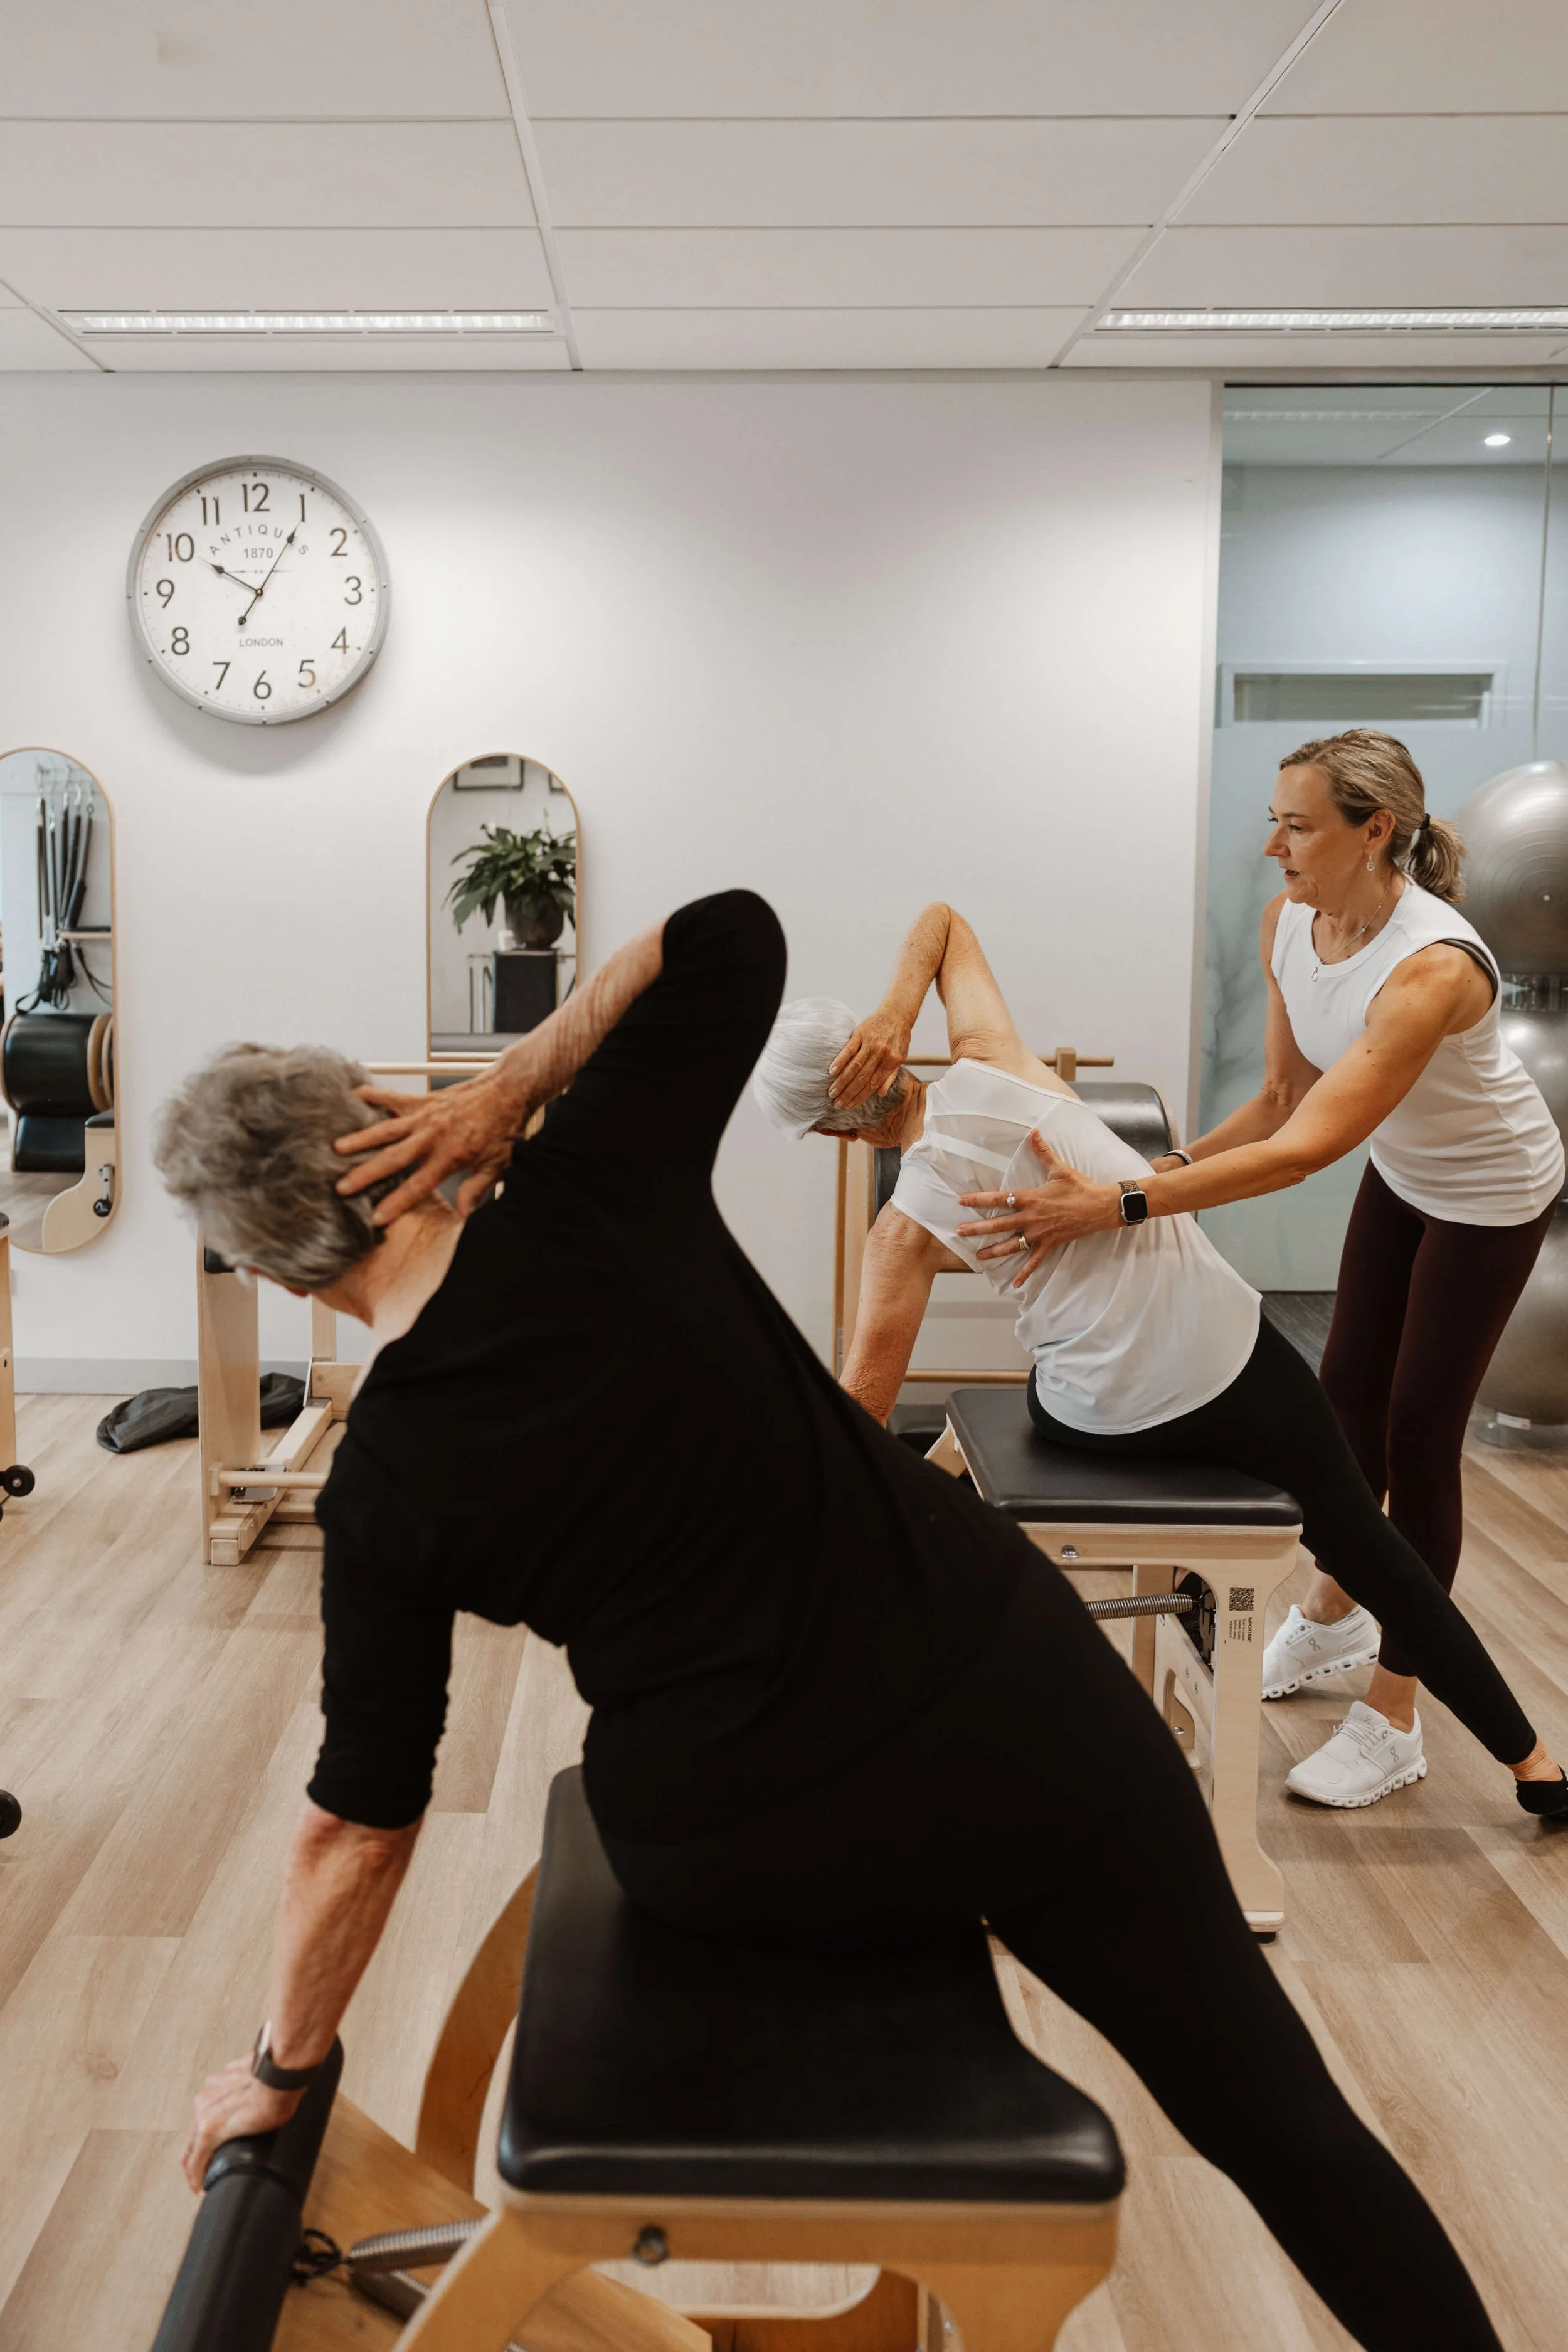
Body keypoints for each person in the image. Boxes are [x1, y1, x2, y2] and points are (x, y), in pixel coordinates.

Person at [160, 890, 1525, 2352]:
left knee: (662, 1814)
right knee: (1279, 2118)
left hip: (753, 1844)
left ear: (273, 1265)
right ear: (385, 1116)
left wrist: (282, 2078)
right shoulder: (598, 1177)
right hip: (1023, 1706)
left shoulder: (384, 1489)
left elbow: (358, 1821)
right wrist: (511, 1089)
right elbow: (728, 930)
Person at [758, 896, 1565, 1818]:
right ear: (884, 1049)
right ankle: (1534, 1759)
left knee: (1040, 1388)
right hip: (1230, 1350)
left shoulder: (900, 1232)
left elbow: (863, 1407)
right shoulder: (996, 1060)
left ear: (833, 1133)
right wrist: (901, 1003)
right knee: (1367, 1541)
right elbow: (943, 921)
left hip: (1112, 1417)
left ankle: (1164, 1585)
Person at [938, 731, 1564, 1806]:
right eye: (1274, 816)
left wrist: (1117, 1200)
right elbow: (1277, 1101)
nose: (1273, 842)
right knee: (1345, 1406)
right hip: (1408, 1173)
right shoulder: (1293, 923)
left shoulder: (1433, 967)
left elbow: (1303, 1151)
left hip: (1493, 1193)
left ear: (1377, 830)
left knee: (1419, 1431)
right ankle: (1329, 1614)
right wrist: (1154, 1170)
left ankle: (1394, 1715)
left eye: (1299, 823)